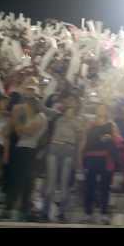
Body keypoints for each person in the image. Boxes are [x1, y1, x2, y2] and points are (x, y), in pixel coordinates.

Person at [2, 95, 47, 221]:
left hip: (30, 150)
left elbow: (28, 131)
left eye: (26, 105)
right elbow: (18, 132)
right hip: (20, 149)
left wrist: (17, 123)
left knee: (27, 181)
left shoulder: (40, 117)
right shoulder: (26, 117)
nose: (24, 108)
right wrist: (19, 126)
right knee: (15, 179)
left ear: (33, 106)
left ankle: (24, 210)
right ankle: (9, 209)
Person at [40, 93, 83, 223]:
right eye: (68, 99)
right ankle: (44, 212)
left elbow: (80, 140)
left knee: (64, 184)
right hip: (54, 148)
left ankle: (62, 213)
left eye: (73, 100)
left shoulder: (80, 119)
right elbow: (42, 108)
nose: (70, 102)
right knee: (51, 183)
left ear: (77, 104)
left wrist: (78, 160)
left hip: (69, 150)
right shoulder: (56, 114)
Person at [78, 104, 122, 225]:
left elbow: (119, 140)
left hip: (105, 159)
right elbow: (84, 141)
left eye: (104, 108)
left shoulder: (111, 125)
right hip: (90, 158)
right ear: (96, 110)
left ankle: (104, 214)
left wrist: (111, 137)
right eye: (99, 108)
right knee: (89, 187)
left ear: (107, 111)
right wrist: (80, 158)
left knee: (105, 188)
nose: (101, 110)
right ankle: (88, 213)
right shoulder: (90, 124)